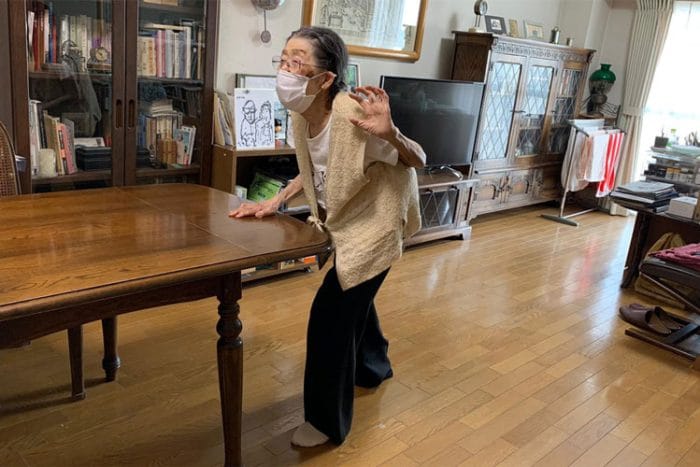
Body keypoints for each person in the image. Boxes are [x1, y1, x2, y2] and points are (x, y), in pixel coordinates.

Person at [229, 26, 426, 447]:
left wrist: (390, 132)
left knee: (331, 315)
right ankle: (373, 367)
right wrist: (275, 201)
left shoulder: (352, 113)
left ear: (325, 79)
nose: (286, 70)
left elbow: (417, 159)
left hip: (377, 223)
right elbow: (317, 167)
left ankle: (326, 423)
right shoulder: (304, 117)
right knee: (356, 299)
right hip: (348, 221)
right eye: (283, 59)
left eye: (297, 62)